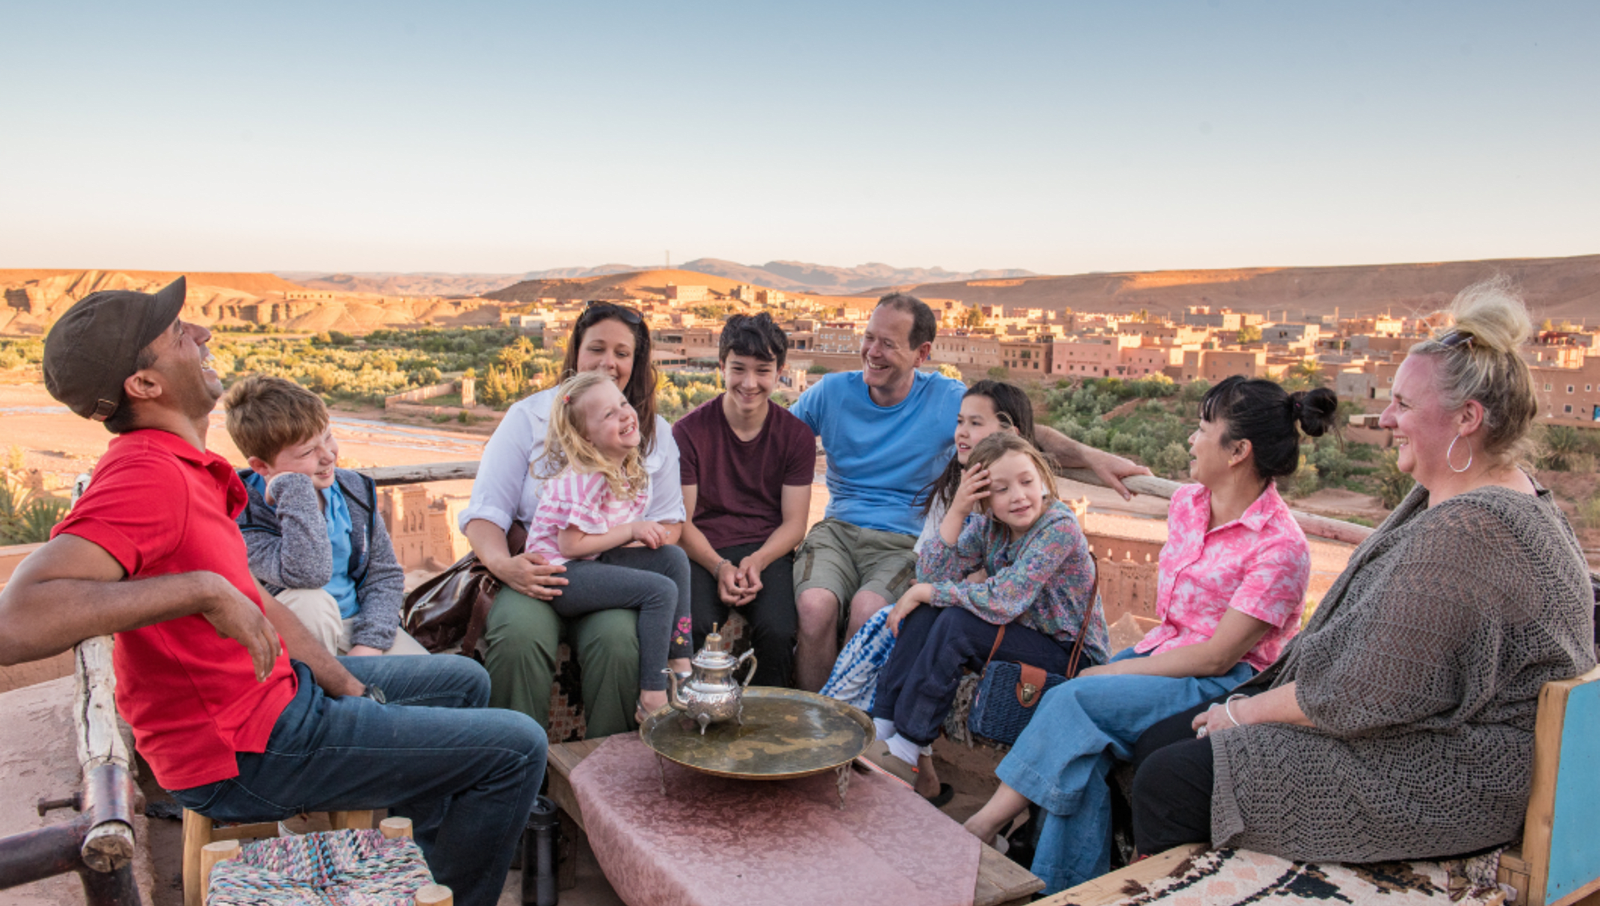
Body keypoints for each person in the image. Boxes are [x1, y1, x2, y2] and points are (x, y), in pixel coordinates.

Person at [0, 279, 546, 906]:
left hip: (283, 700)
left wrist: (340, 679)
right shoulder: (147, 475)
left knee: (464, 684)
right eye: (179, 334)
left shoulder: (185, 469)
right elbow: (16, 620)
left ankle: (409, 870)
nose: (201, 333)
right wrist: (201, 590)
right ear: (144, 385)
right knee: (516, 748)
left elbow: (256, 602)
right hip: (247, 752)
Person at [1129, 278, 1597, 868]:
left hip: (1455, 769)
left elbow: (1357, 692)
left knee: (1170, 779)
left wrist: (1239, 712)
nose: (1383, 419)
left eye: (1403, 405)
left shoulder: (1471, 531)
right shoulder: (1469, 496)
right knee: (1157, 741)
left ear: (1467, 418)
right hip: (1430, 726)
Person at [962, 376, 1333, 893]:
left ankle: (986, 823)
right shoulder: (1188, 506)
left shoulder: (1280, 548)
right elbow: (1177, 633)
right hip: (1165, 652)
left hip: (1226, 680)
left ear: (1238, 451)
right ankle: (1064, 887)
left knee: (1074, 700)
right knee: (1084, 755)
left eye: (1203, 428)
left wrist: (1116, 667)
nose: (1191, 438)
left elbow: (1216, 657)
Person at [789, 292, 1147, 691]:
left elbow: (1016, 430)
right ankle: (813, 733)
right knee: (814, 607)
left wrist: (1092, 456)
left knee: (868, 611)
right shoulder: (830, 392)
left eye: (888, 344)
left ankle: (852, 731)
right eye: (869, 337)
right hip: (837, 529)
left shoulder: (945, 399)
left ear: (921, 353)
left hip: (901, 540)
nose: (872, 351)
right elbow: (775, 439)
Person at [460, 301, 685, 737]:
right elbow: (487, 513)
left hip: (613, 573)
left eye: (622, 352)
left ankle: (604, 778)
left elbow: (669, 524)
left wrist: (617, 554)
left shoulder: (652, 432)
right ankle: (518, 779)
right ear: (575, 352)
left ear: (636, 361)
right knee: (519, 638)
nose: (609, 362)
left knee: (620, 643)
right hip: (537, 570)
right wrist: (505, 566)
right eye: (596, 348)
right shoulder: (527, 418)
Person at [871, 433, 1110, 802]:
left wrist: (928, 591)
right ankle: (882, 725)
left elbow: (1007, 599)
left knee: (955, 622)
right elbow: (933, 576)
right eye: (1001, 489)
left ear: (1043, 479)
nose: (1018, 496)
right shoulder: (988, 528)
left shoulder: (1058, 528)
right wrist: (957, 511)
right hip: (1021, 639)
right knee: (926, 609)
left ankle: (907, 745)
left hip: (1069, 656)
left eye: (1027, 482)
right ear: (984, 497)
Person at [524, 371, 692, 718]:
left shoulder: (624, 467)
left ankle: (682, 665)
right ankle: (652, 696)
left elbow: (603, 536)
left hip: (591, 560)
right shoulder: (585, 478)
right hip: (559, 574)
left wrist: (641, 536)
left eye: (623, 403)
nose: (625, 414)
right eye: (609, 415)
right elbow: (571, 545)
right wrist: (633, 529)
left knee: (673, 559)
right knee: (659, 591)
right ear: (587, 435)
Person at [224, 374, 427, 657]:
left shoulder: (353, 490)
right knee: (311, 602)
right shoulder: (243, 513)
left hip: (360, 629)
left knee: (457, 681)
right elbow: (308, 573)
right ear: (260, 465)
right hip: (296, 633)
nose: (329, 455)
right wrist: (294, 489)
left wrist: (368, 644)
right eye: (308, 451)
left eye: (328, 436)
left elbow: (383, 574)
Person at [673, 313, 814, 687]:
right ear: (721, 366)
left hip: (767, 549)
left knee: (780, 630)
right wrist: (720, 567)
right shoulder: (687, 433)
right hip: (703, 548)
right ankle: (698, 719)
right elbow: (682, 522)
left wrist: (757, 560)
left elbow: (794, 523)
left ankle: (769, 728)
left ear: (779, 371)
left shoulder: (796, 437)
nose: (749, 383)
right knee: (697, 627)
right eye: (738, 369)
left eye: (762, 370)